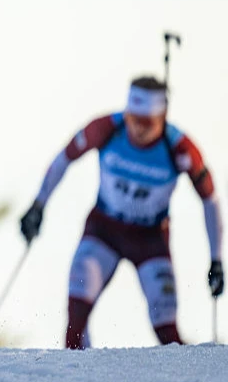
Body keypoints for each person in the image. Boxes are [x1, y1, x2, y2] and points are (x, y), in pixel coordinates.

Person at [20, 76, 224, 349]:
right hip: (104, 230)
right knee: (75, 321)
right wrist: (38, 205)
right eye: (133, 119)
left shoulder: (179, 148)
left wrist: (216, 259)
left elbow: (210, 201)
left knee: (167, 333)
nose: (137, 129)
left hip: (150, 239)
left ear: (162, 117)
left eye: (146, 122)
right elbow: (64, 158)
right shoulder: (106, 128)